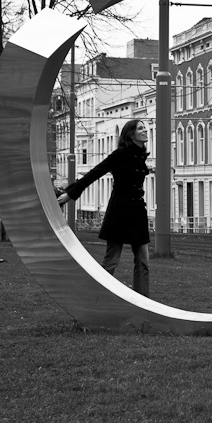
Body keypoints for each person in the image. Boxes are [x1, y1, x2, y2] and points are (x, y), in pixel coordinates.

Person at [58, 119, 152, 296]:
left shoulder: (141, 155)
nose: (145, 131)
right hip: (120, 212)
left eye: (145, 128)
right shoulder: (120, 155)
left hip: (137, 212)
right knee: (111, 261)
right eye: (141, 128)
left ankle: (143, 301)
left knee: (143, 261)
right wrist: (71, 193)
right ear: (131, 134)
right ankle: (100, 298)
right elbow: (95, 172)